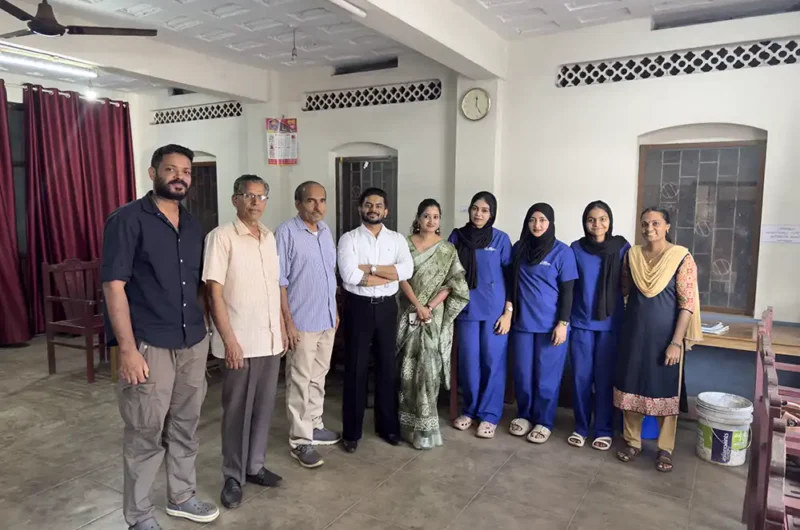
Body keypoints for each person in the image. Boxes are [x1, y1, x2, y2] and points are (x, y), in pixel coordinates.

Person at [102, 145, 219, 530]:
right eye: (171, 169)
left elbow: (199, 285)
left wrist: (205, 331)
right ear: (153, 173)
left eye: (186, 171)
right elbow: (114, 286)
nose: (180, 177)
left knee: (186, 425)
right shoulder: (127, 220)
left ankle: (182, 497)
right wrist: (128, 350)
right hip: (150, 344)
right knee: (145, 431)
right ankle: (138, 516)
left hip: (192, 342)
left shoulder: (193, 225)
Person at [203, 175, 286, 509]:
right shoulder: (221, 237)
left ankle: (254, 466)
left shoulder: (268, 237)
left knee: (264, 408)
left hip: (269, 339)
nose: (255, 202)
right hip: (239, 342)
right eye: (248, 195)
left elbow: (274, 287)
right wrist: (228, 340)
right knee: (237, 411)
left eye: (261, 196)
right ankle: (233, 476)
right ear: (235, 199)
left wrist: (283, 327)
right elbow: (214, 292)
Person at [615, 207, 702, 473]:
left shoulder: (681, 257)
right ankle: (633, 442)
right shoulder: (632, 255)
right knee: (630, 387)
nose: (649, 228)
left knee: (665, 390)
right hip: (633, 334)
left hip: (666, 339)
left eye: (655, 223)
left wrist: (676, 342)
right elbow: (625, 290)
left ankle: (665, 448)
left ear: (667, 227)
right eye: (645, 224)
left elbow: (687, 304)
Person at [337, 187, 414, 453]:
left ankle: (388, 427)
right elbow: (349, 275)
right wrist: (388, 275)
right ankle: (352, 432)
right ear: (360, 209)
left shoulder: (397, 239)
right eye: (368, 205)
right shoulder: (349, 239)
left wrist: (369, 269)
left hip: (387, 309)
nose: (373, 209)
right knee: (355, 369)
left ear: (386, 210)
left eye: (378, 205)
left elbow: (407, 270)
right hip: (358, 308)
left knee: (387, 368)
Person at [276, 181, 340, 469]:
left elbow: (329, 274)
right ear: (298, 204)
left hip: (326, 318)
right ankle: (300, 441)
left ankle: (314, 425)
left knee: (318, 376)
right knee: (299, 380)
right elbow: (279, 282)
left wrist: (333, 309)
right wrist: (287, 322)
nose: (317, 206)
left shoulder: (325, 232)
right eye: (311, 201)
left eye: (322, 200)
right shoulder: (286, 233)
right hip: (301, 322)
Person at [397, 199, 469, 449]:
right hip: (408, 311)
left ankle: (427, 428)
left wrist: (429, 307)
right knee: (407, 367)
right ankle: (406, 426)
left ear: (440, 221)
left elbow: (453, 284)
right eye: (426, 216)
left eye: (435, 216)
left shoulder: (447, 249)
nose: (431, 221)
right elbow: (400, 277)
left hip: (432, 315)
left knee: (429, 367)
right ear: (418, 218)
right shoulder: (404, 244)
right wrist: (417, 305)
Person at [508, 203, 578, 444]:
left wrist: (563, 323)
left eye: (542, 220)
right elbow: (509, 282)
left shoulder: (562, 252)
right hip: (522, 324)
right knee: (523, 375)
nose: (537, 225)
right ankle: (524, 415)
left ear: (551, 223)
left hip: (550, 326)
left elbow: (568, 291)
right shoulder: (519, 248)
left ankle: (544, 421)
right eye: (532, 220)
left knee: (547, 378)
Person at [449, 191, 512, 439]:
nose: (478, 214)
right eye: (475, 208)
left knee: (492, 362)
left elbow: (511, 277)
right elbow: (448, 271)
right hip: (466, 308)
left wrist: (508, 312)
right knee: (469, 363)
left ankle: (490, 415)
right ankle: (471, 410)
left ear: (492, 213)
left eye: (485, 210)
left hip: (495, 312)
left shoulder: (501, 239)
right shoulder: (457, 236)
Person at [568, 201, 630, 451]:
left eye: (602, 218)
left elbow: (629, 283)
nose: (597, 224)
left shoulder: (622, 247)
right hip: (581, 323)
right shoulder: (576, 248)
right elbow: (569, 285)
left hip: (611, 324)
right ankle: (581, 427)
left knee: (605, 380)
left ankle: (603, 429)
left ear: (610, 221)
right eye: (591, 219)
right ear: (585, 222)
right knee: (580, 378)